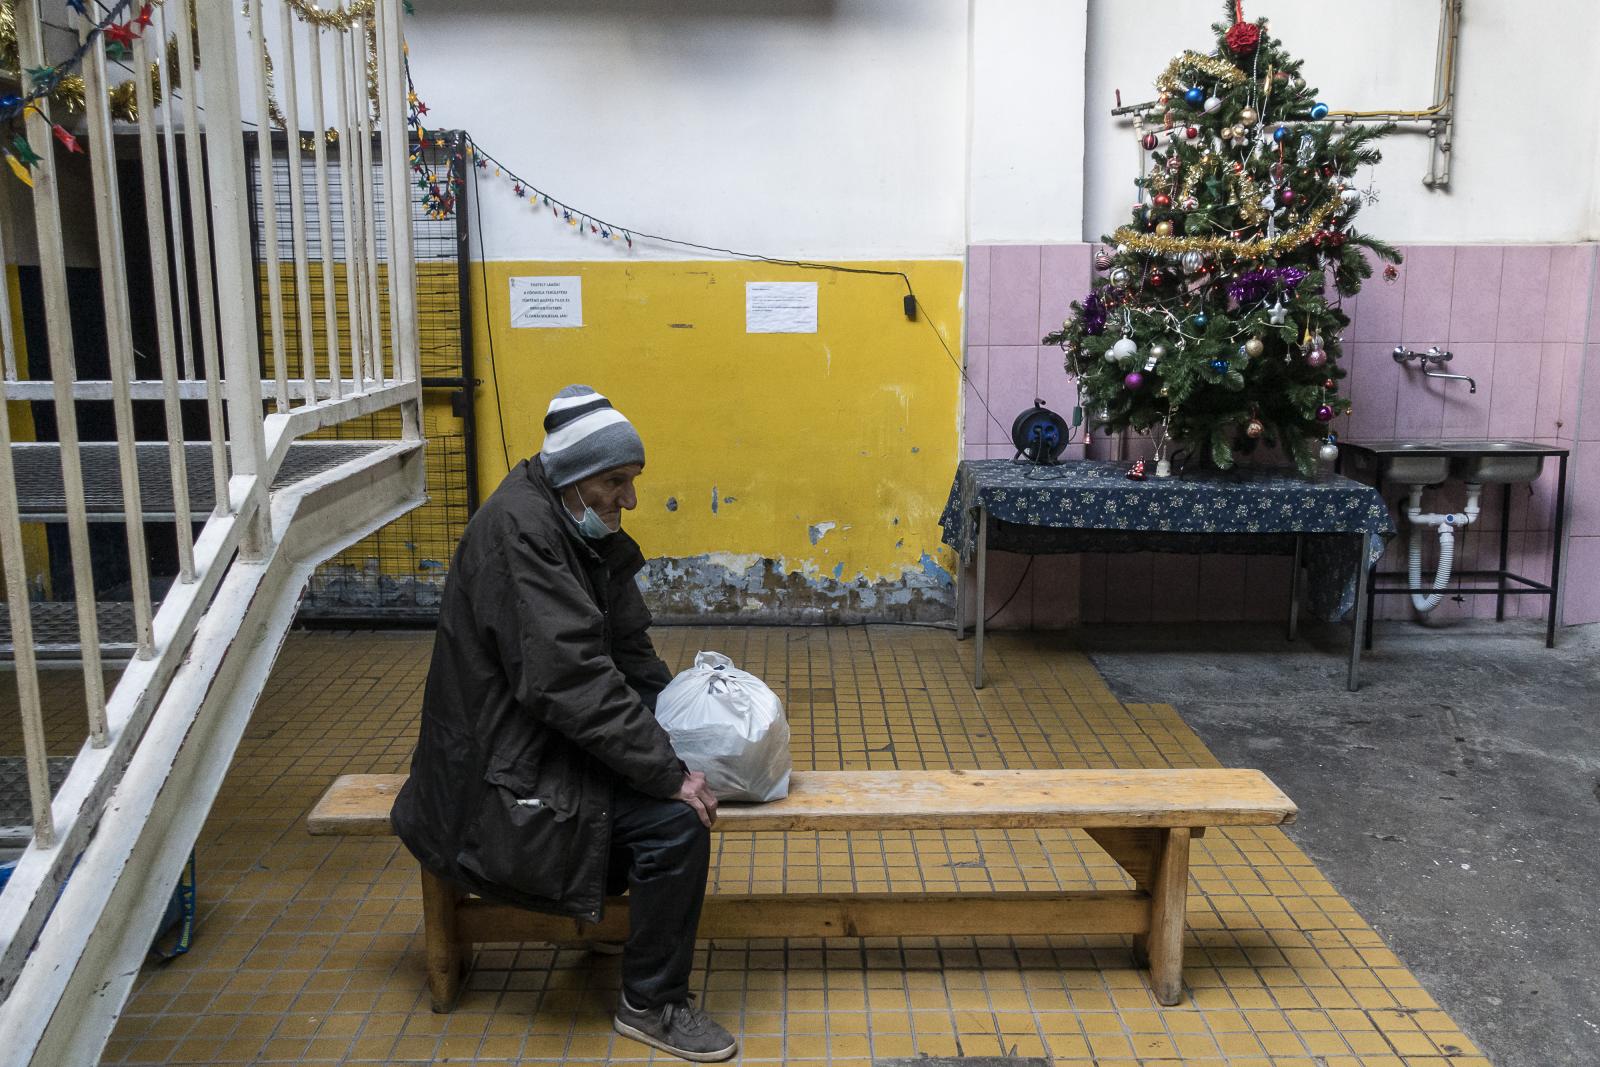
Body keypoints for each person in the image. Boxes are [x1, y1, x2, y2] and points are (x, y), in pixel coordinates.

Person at [391, 384, 737, 1062]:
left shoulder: (574, 525)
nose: (629, 500)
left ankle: (615, 919)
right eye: (617, 482)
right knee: (673, 825)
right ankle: (652, 1003)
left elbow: (630, 650)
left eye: (631, 481)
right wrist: (668, 773)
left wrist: (680, 727)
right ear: (578, 478)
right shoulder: (522, 534)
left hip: (524, 746)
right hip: (490, 780)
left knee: (661, 786)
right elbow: (567, 678)